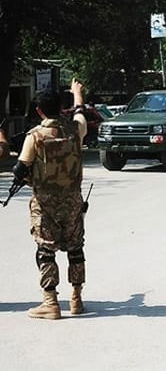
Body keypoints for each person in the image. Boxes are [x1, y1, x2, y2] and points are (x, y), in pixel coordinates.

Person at [14, 79, 88, 320]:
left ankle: (51, 303)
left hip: (45, 205)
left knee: (45, 250)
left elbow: (20, 169)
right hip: (73, 201)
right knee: (75, 249)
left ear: (39, 110)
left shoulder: (35, 136)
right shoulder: (76, 130)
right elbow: (80, 113)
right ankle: (76, 299)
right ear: (62, 108)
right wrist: (78, 94)